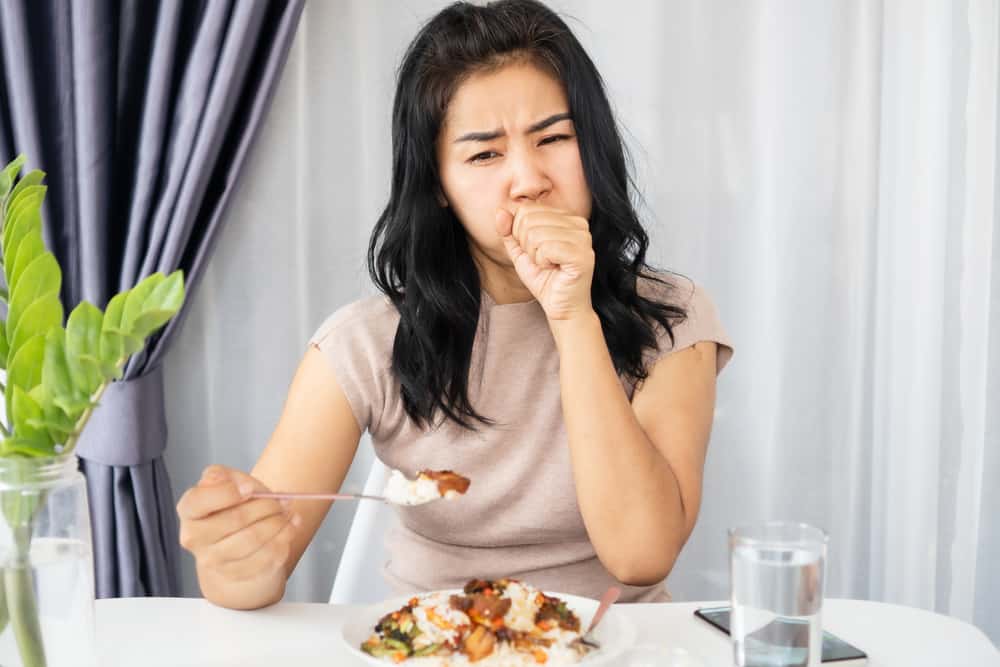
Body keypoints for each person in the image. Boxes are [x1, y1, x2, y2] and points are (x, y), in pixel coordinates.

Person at [176, 0, 733, 610]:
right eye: (484, 154)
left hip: (621, 647)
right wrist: (232, 558)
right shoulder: (364, 344)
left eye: (553, 137)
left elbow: (640, 556)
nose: (528, 179)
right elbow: (260, 567)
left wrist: (573, 317)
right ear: (438, 186)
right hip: (435, 646)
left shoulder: (671, 319)